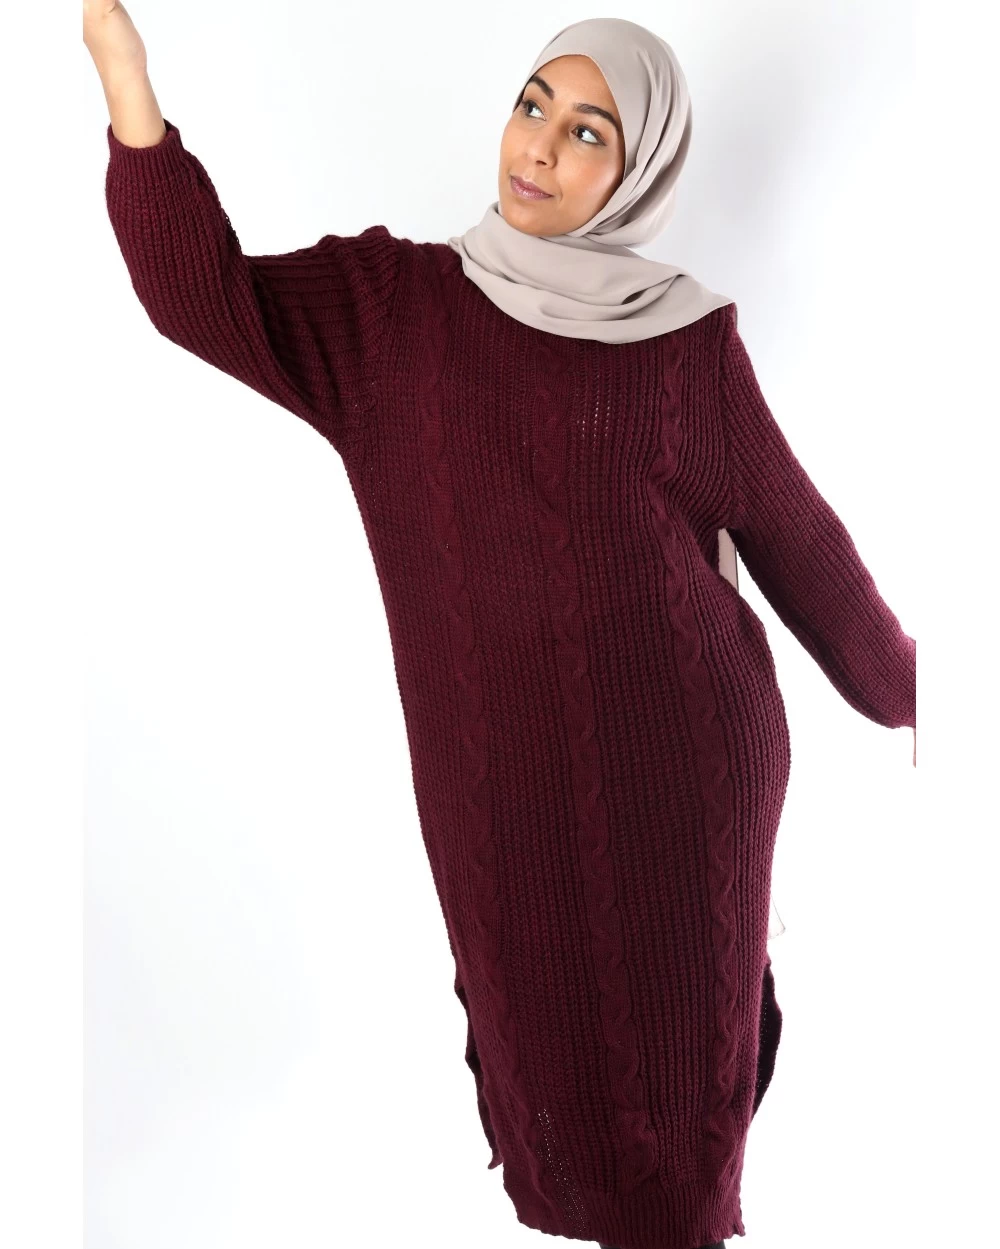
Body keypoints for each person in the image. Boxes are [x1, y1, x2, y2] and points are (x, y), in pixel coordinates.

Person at [84, 8, 917, 1248]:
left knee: (674, 1146)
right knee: (555, 1096)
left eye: (589, 133)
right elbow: (200, 297)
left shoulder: (684, 344)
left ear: (637, 169)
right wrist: (125, 78)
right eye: (534, 107)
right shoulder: (391, 311)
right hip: (500, 797)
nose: (540, 147)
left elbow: (803, 549)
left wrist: (922, 694)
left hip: (682, 793)